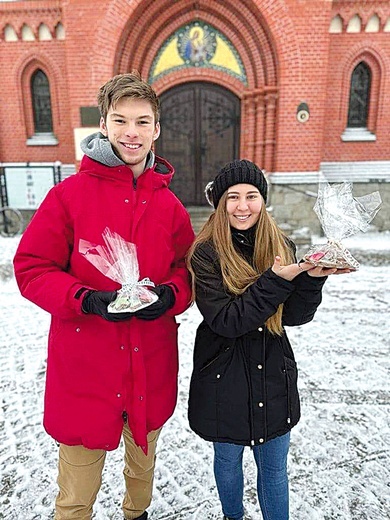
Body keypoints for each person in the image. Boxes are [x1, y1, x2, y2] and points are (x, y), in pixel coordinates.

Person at [13, 72, 195, 520]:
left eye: (142, 121)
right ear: (105, 125)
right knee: (76, 494)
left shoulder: (169, 205)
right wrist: (86, 299)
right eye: (120, 121)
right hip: (86, 368)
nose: (131, 132)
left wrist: (169, 298)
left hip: (149, 365)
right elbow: (32, 267)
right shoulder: (68, 196)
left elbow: (189, 270)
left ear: (156, 129)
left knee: (141, 477)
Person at [186, 159, 351, 520]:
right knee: (228, 460)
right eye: (233, 197)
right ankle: (233, 516)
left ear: (263, 200)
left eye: (251, 196)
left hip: (272, 371)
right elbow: (227, 321)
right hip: (222, 375)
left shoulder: (282, 245)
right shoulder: (205, 253)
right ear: (220, 203)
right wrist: (277, 279)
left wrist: (311, 279)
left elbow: (294, 316)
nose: (242, 206)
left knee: (275, 467)